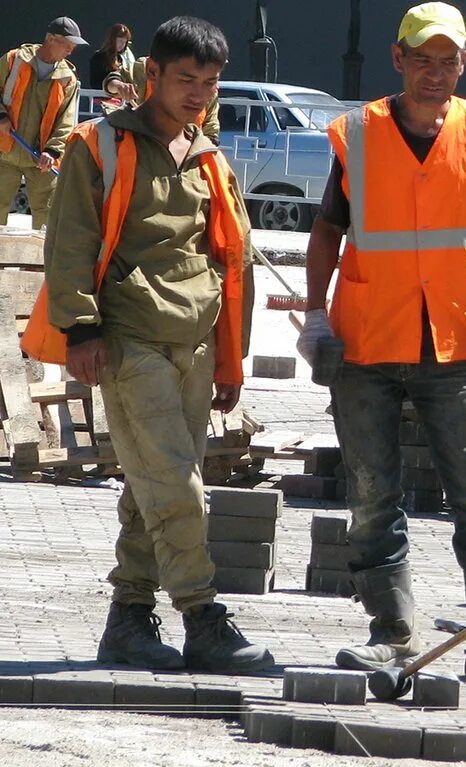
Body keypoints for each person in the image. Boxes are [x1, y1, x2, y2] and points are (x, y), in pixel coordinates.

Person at [297, 1, 466, 686]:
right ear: (398, 60)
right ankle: (391, 631)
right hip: (367, 341)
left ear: (465, 63)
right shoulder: (361, 135)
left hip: (456, 339)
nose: (435, 73)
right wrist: (315, 315)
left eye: (448, 60)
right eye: (421, 60)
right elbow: (326, 232)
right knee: (373, 493)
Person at [34, 16, 271, 674]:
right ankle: (202, 614)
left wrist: (231, 359)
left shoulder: (210, 160)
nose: (197, 93)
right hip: (128, 340)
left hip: (193, 345)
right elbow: (71, 241)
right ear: (152, 76)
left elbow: (231, 262)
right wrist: (81, 329)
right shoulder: (99, 146)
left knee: (149, 488)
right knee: (178, 486)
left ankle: (130, 619)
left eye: (210, 82)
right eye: (185, 79)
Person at [0, 17, 85, 230]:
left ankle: (42, 262)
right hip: (4, 151)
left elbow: (66, 121)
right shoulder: (13, 60)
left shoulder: (68, 79)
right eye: (67, 45)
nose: (70, 51)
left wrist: (53, 151)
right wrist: (1, 117)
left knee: (48, 215)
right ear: (51, 40)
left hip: (41, 159)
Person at [104, 53, 220, 144]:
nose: (196, 96)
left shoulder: (210, 92)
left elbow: (211, 131)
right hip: (145, 147)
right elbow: (111, 82)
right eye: (186, 80)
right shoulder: (144, 69)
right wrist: (119, 86)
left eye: (209, 81)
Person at [89, 23, 133, 90]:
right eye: (120, 40)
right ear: (112, 39)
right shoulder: (98, 56)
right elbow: (95, 83)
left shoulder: (119, 58)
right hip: (100, 96)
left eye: (125, 42)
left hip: (117, 97)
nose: (122, 44)